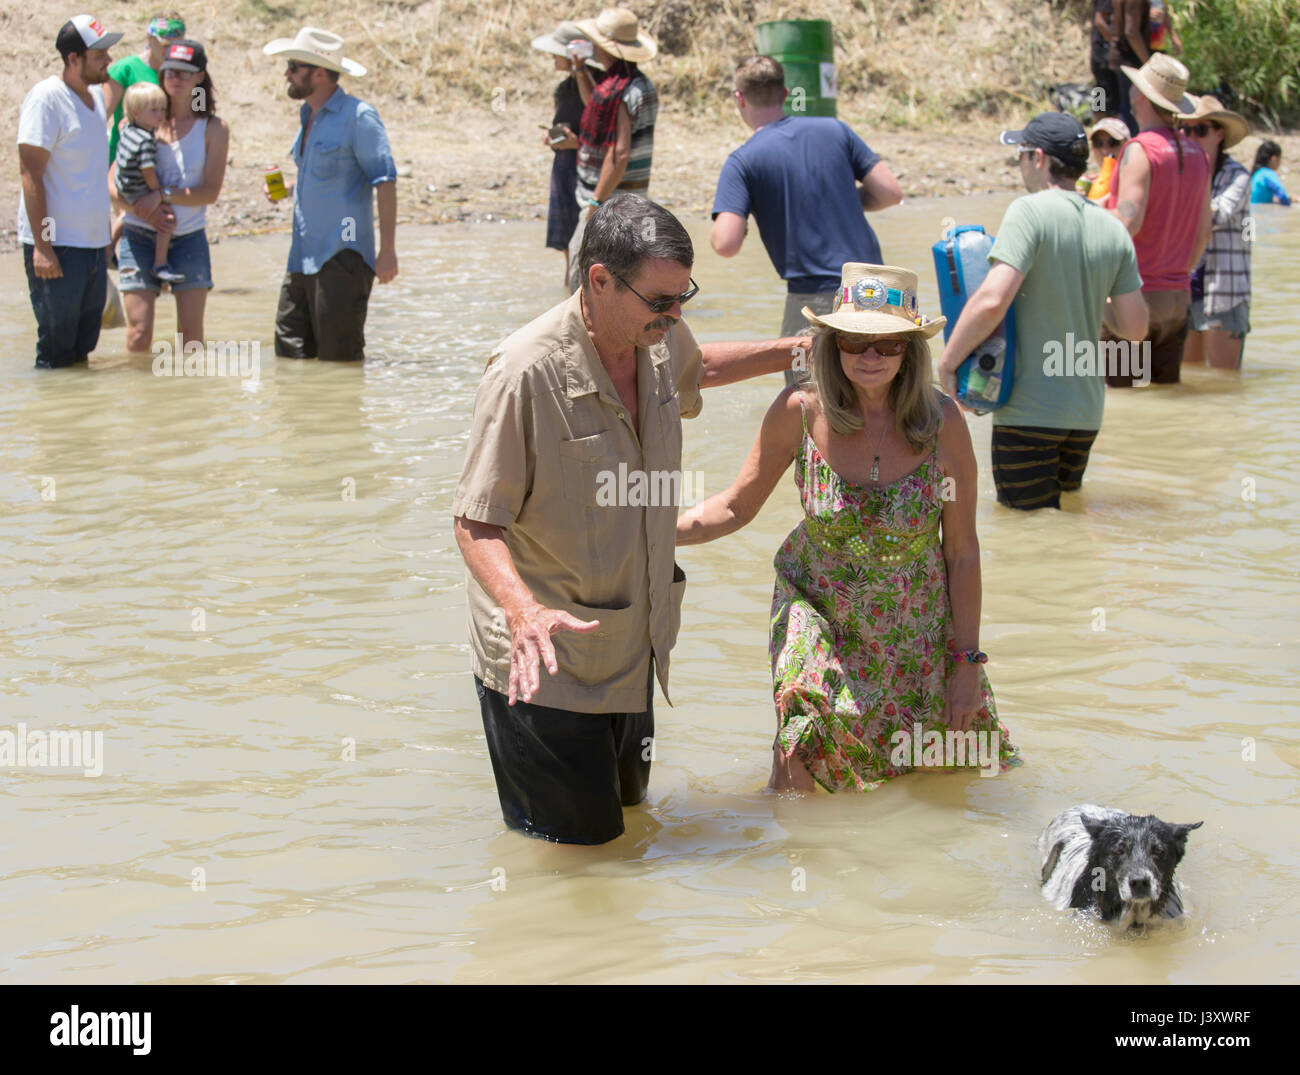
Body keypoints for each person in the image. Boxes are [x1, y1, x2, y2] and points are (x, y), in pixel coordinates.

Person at [452, 193, 810, 843]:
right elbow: (476, 522)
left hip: (630, 646)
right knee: (577, 859)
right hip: (545, 663)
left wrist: (801, 351)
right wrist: (521, 609)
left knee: (627, 832)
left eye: (685, 297)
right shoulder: (524, 373)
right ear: (599, 281)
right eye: (662, 300)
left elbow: (700, 370)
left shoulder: (656, 336)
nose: (677, 315)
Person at [677, 263, 1018, 792]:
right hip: (816, 612)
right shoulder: (799, 410)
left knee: (936, 781)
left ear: (911, 348)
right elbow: (734, 508)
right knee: (801, 749)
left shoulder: (942, 421)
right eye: (854, 343)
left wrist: (967, 661)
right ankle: (795, 864)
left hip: (914, 628)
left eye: (888, 344)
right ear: (830, 345)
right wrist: (647, 530)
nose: (871, 356)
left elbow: (962, 553)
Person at [937, 114, 1147, 510]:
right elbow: (1135, 329)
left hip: (1029, 413)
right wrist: (1084, 292)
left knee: (1028, 530)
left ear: (1038, 158)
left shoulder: (1028, 212)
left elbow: (992, 300)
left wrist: (948, 362)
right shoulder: (1113, 228)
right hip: (1085, 415)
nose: (1019, 165)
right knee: (1064, 519)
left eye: (1020, 155)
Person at [711, 55, 902, 381]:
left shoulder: (742, 161)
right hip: (878, 290)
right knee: (879, 402)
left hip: (816, 300)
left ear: (739, 99)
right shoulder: (835, 129)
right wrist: (845, 200)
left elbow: (725, 243)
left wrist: (740, 222)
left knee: (807, 406)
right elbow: (890, 193)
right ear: (785, 94)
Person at [262, 27, 398, 361]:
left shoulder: (359, 117)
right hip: (301, 256)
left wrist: (388, 251)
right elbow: (331, 174)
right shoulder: (307, 114)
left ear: (319, 73)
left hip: (342, 257)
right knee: (289, 355)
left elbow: (386, 181)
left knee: (340, 362)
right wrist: (290, 188)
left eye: (293, 66)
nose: (286, 74)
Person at [17, 15, 123, 369]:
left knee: (83, 349)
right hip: (58, 247)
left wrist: (104, 242)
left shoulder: (94, 95)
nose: (108, 60)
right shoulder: (47, 99)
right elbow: (31, 174)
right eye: (100, 54)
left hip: (92, 246)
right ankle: (50, 423)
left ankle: (80, 423)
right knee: (56, 352)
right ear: (73, 59)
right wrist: (43, 247)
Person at [108, 39, 229, 351]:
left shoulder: (214, 128)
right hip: (139, 235)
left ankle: (187, 399)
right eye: (170, 71)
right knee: (137, 336)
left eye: (185, 73)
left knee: (190, 339)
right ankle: (139, 399)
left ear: (200, 77)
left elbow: (210, 192)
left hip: (189, 237)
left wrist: (161, 195)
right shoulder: (135, 122)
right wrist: (142, 210)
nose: (176, 77)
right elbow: (111, 185)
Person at [1104, 53, 1210, 386]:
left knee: (1120, 399)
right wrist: (1180, 275)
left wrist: (1088, 213)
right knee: (1166, 398)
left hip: (1134, 297)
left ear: (1141, 96)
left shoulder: (1140, 149)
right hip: (1178, 299)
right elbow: (1204, 230)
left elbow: (1127, 222)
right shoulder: (1199, 155)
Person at [561, 8, 658, 293]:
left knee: (582, 278)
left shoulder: (623, 92)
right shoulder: (627, 85)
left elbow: (619, 154)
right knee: (620, 279)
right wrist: (580, 70)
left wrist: (595, 203)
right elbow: (597, 103)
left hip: (608, 204)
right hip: (628, 202)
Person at [1180, 97, 1253, 369]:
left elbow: (1216, 215)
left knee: (1225, 382)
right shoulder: (1183, 172)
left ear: (1219, 134)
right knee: (1190, 377)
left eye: (1201, 130)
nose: (1191, 137)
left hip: (1225, 292)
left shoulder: (1238, 176)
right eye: (1187, 130)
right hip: (1188, 288)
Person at [530, 21, 597, 285]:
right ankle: (569, 289)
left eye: (556, 53)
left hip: (585, 168)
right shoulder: (565, 88)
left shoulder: (592, 85)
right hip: (564, 165)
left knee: (584, 237)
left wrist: (576, 144)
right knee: (569, 240)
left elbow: (603, 137)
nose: (552, 58)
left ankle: (575, 294)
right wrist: (554, 136)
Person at [114, 83, 184, 282]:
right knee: (167, 220)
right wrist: (158, 194)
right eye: (154, 110)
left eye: (162, 109)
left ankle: (110, 249)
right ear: (136, 113)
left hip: (123, 183)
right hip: (137, 188)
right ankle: (160, 263)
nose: (160, 115)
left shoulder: (127, 128)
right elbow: (148, 171)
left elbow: (121, 127)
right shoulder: (146, 141)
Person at [103, 12, 185, 165]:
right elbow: (100, 116)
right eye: (165, 45)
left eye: (176, 46)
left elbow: (200, 110)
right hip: (126, 162)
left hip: (170, 161)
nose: (170, 51)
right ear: (150, 38)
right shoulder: (124, 70)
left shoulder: (188, 74)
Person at [1076, 116, 1129, 196]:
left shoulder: (1136, 183)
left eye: (1113, 142)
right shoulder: (1086, 183)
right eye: (1098, 143)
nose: (1105, 151)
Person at [1090, 0, 1120, 118]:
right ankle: (1103, 129)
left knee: (1101, 93)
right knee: (1107, 99)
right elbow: (1100, 22)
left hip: (1100, 54)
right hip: (1103, 55)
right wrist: (1116, 43)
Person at [1250, 140, 1291, 206]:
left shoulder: (1256, 174)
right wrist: (1290, 201)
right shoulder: (1267, 174)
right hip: (1262, 213)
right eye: (1280, 159)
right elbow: (1282, 196)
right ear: (1274, 159)